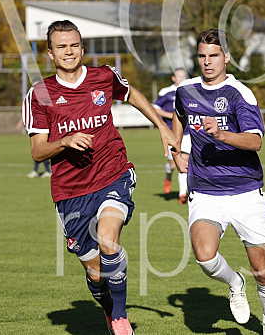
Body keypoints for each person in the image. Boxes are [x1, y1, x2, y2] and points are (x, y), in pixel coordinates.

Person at [22, 20, 178, 335]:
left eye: (74, 45)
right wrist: (64, 142)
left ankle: (120, 318)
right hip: (70, 191)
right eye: (61, 47)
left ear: (82, 47)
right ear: (50, 53)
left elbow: (131, 93)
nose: (69, 51)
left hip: (112, 172)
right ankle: (109, 306)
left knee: (109, 239)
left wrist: (161, 127)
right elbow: (38, 151)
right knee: (96, 274)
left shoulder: (103, 77)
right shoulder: (40, 94)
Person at [171, 29, 265, 335]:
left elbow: (255, 141)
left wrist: (221, 134)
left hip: (245, 191)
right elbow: (178, 117)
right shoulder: (186, 90)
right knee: (205, 256)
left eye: (214, 56)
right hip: (205, 190)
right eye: (202, 56)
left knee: (263, 269)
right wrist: (175, 150)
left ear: (227, 58)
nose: (207, 62)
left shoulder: (240, 94)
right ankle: (235, 283)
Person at [152, 68, 190, 202]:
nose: (182, 79)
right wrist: (173, 116)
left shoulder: (191, 91)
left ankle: (182, 194)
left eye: (184, 76)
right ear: (174, 78)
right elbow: (155, 109)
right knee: (173, 165)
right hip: (170, 133)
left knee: (184, 162)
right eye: (179, 76)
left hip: (187, 133)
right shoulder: (166, 92)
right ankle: (168, 174)